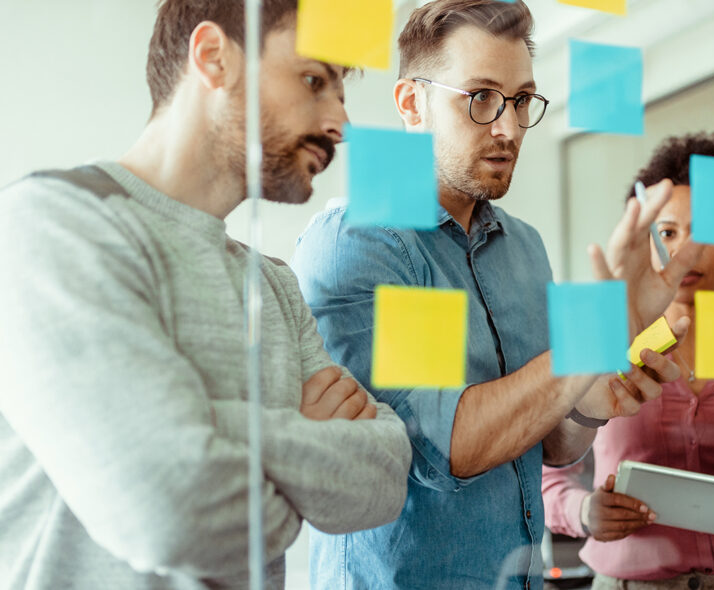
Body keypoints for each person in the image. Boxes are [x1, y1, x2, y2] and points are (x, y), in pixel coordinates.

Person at [0, 2, 412, 589]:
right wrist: (311, 445)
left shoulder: (274, 283)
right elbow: (169, 510)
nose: (339, 124)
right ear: (214, 57)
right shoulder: (53, 224)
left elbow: (384, 480)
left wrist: (215, 433)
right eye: (315, 80)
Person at [291, 1, 697, 588]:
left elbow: (552, 445)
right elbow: (445, 446)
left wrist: (591, 400)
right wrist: (589, 337)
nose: (507, 128)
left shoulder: (523, 248)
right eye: (480, 97)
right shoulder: (369, 242)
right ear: (412, 103)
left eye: (521, 100)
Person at [542, 133, 714, 590]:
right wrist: (584, 512)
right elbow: (548, 473)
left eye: (706, 232)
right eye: (666, 232)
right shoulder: (603, 359)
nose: (683, 250)